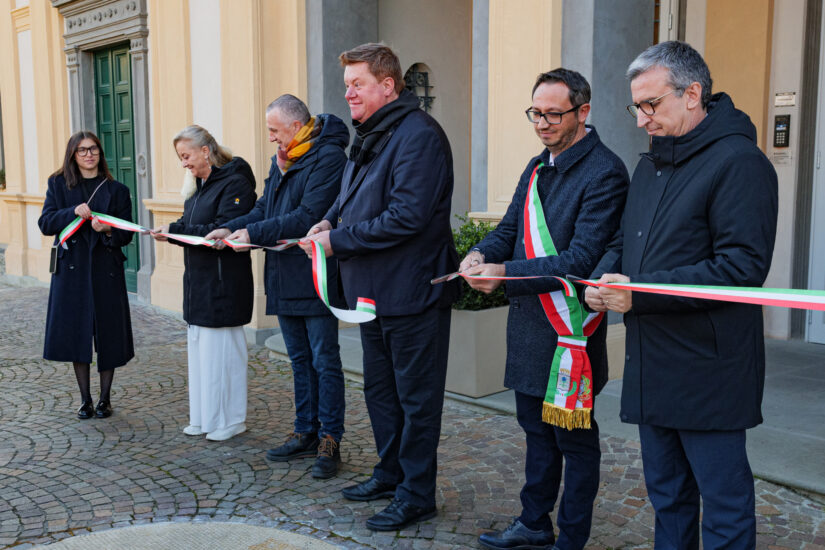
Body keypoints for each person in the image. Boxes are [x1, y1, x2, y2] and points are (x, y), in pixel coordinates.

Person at [584, 41, 778, 549]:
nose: (642, 119)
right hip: (654, 360)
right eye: (637, 106)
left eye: (652, 105)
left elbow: (742, 267)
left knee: (723, 504)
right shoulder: (651, 165)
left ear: (692, 93)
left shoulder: (740, 162)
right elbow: (626, 242)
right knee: (666, 495)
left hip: (709, 365)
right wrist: (604, 278)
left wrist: (640, 296)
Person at [461, 69, 629, 550]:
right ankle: (534, 523)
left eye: (554, 114)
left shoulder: (606, 171)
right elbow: (508, 228)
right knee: (535, 433)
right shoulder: (537, 166)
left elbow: (579, 259)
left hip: (571, 333)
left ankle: (571, 537)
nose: (542, 123)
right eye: (536, 113)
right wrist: (482, 256)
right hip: (531, 326)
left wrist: (504, 274)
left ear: (583, 112)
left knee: (573, 443)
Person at [300, 42, 460, 531]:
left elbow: (406, 217)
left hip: (414, 292)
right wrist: (327, 221)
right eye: (346, 85)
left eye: (358, 84)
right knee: (381, 394)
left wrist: (338, 242)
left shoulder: (419, 135)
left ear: (388, 86)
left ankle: (417, 494)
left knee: (416, 400)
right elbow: (351, 198)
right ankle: (390, 473)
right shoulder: (371, 133)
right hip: (373, 294)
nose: (348, 94)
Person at [205, 94, 348, 479]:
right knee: (299, 360)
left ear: (297, 126)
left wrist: (252, 231)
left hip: (314, 275)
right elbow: (266, 209)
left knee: (324, 361)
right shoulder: (282, 159)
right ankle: (305, 431)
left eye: (274, 130)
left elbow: (306, 217)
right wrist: (235, 226)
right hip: (282, 274)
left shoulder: (329, 157)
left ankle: (330, 440)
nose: (270, 138)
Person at [152, 125, 257, 442]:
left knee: (224, 356)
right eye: (180, 158)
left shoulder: (236, 181)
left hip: (224, 284)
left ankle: (231, 419)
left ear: (205, 151)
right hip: (198, 282)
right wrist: (169, 229)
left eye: (186, 156)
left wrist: (179, 232)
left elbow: (220, 228)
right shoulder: (198, 185)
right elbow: (190, 224)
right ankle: (204, 416)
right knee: (201, 356)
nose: (183, 163)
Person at [38, 131, 135, 420]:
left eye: (93, 149)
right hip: (72, 272)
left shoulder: (116, 190)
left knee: (108, 333)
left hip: (106, 270)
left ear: (99, 153)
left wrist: (108, 231)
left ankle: (105, 399)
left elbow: (127, 233)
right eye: (82, 150)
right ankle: (85, 400)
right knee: (76, 334)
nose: (89, 154)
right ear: (73, 155)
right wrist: (72, 212)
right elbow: (45, 223)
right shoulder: (58, 184)